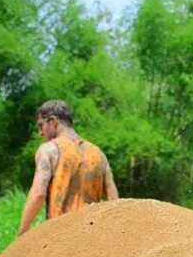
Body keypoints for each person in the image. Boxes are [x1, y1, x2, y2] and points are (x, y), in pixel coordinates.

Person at [17, 100, 119, 236]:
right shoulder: (99, 154)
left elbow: (38, 194)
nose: (40, 133)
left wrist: (22, 234)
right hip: (91, 235)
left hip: (61, 236)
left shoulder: (49, 150)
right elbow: (114, 201)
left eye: (41, 125)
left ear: (52, 122)